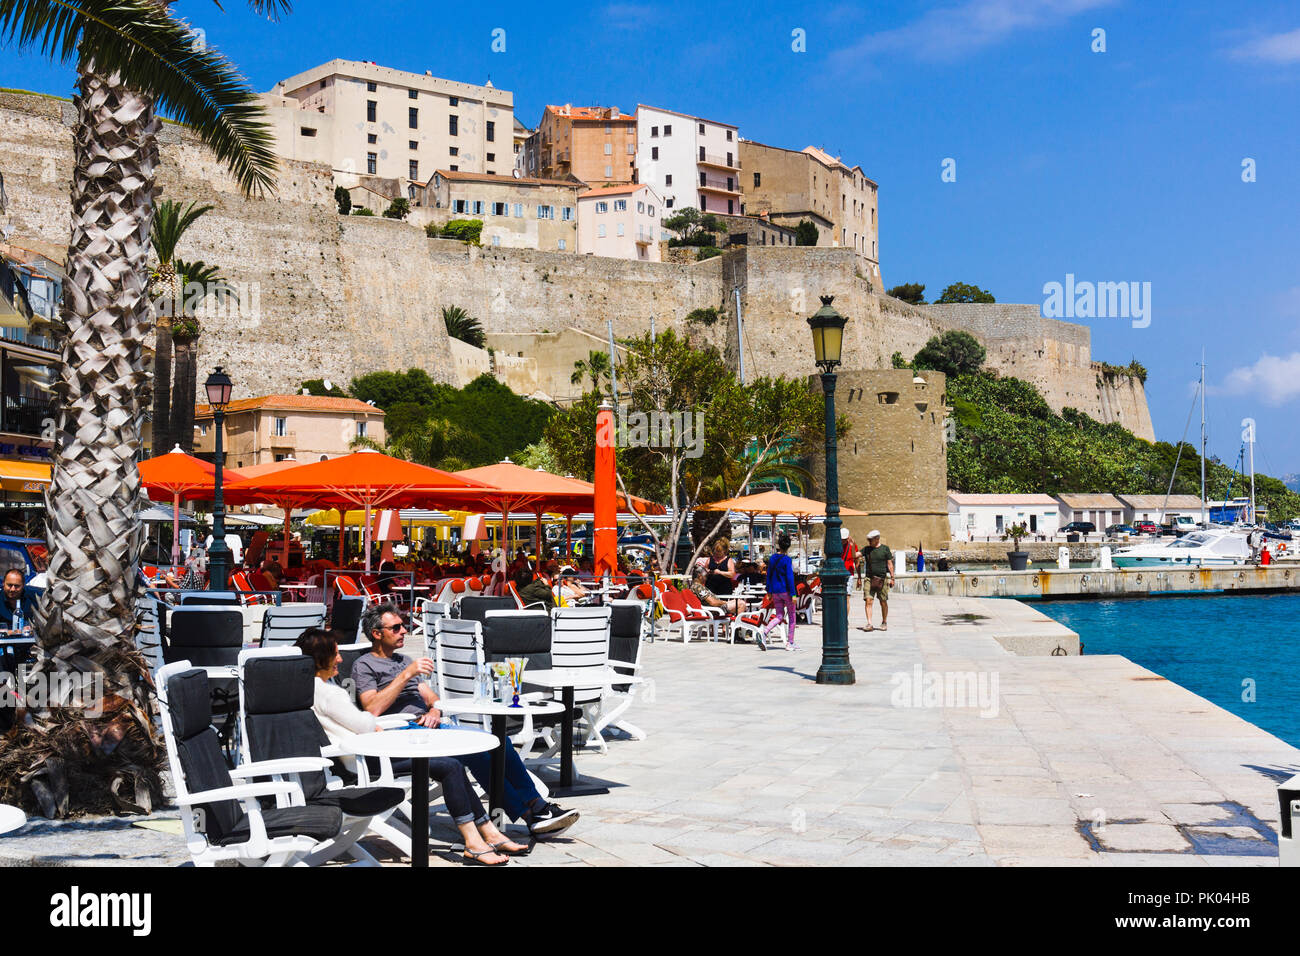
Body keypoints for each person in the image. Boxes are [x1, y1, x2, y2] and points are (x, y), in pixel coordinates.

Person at [294, 627, 527, 866]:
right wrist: (374, 727)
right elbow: (364, 722)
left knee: (452, 765)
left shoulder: (305, 688)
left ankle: (489, 834)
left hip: (359, 755)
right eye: (335, 654)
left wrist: (375, 727)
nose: (340, 659)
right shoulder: (329, 694)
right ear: (321, 658)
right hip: (364, 761)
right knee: (450, 767)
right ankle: (476, 842)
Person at [350, 603, 578, 838]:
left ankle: (536, 807)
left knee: (498, 742)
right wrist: (406, 675)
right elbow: (372, 708)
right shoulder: (364, 665)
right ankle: (533, 815)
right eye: (396, 627)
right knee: (478, 753)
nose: (404, 631)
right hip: (402, 734)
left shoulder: (403, 660)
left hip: (430, 726)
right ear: (377, 633)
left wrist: (435, 711)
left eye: (403, 626)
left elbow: (431, 698)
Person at [761, 533, 797, 652]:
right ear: (788, 546)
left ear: (779, 545)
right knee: (792, 617)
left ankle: (765, 632)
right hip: (786, 591)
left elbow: (769, 575)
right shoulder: (787, 560)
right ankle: (790, 642)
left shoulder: (772, 558)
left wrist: (769, 591)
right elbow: (790, 577)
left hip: (775, 592)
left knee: (779, 616)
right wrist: (793, 594)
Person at [860, 530, 895, 631]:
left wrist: (892, 578)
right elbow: (856, 555)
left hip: (882, 579)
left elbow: (889, 564)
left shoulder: (885, 549)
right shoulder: (867, 549)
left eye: (870, 540)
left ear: (877, 539)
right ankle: (869, 623)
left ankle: (884, 621)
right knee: (868, 600)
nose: (869, 541)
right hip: (869, 578)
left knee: (883, 601)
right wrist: (851, 545)